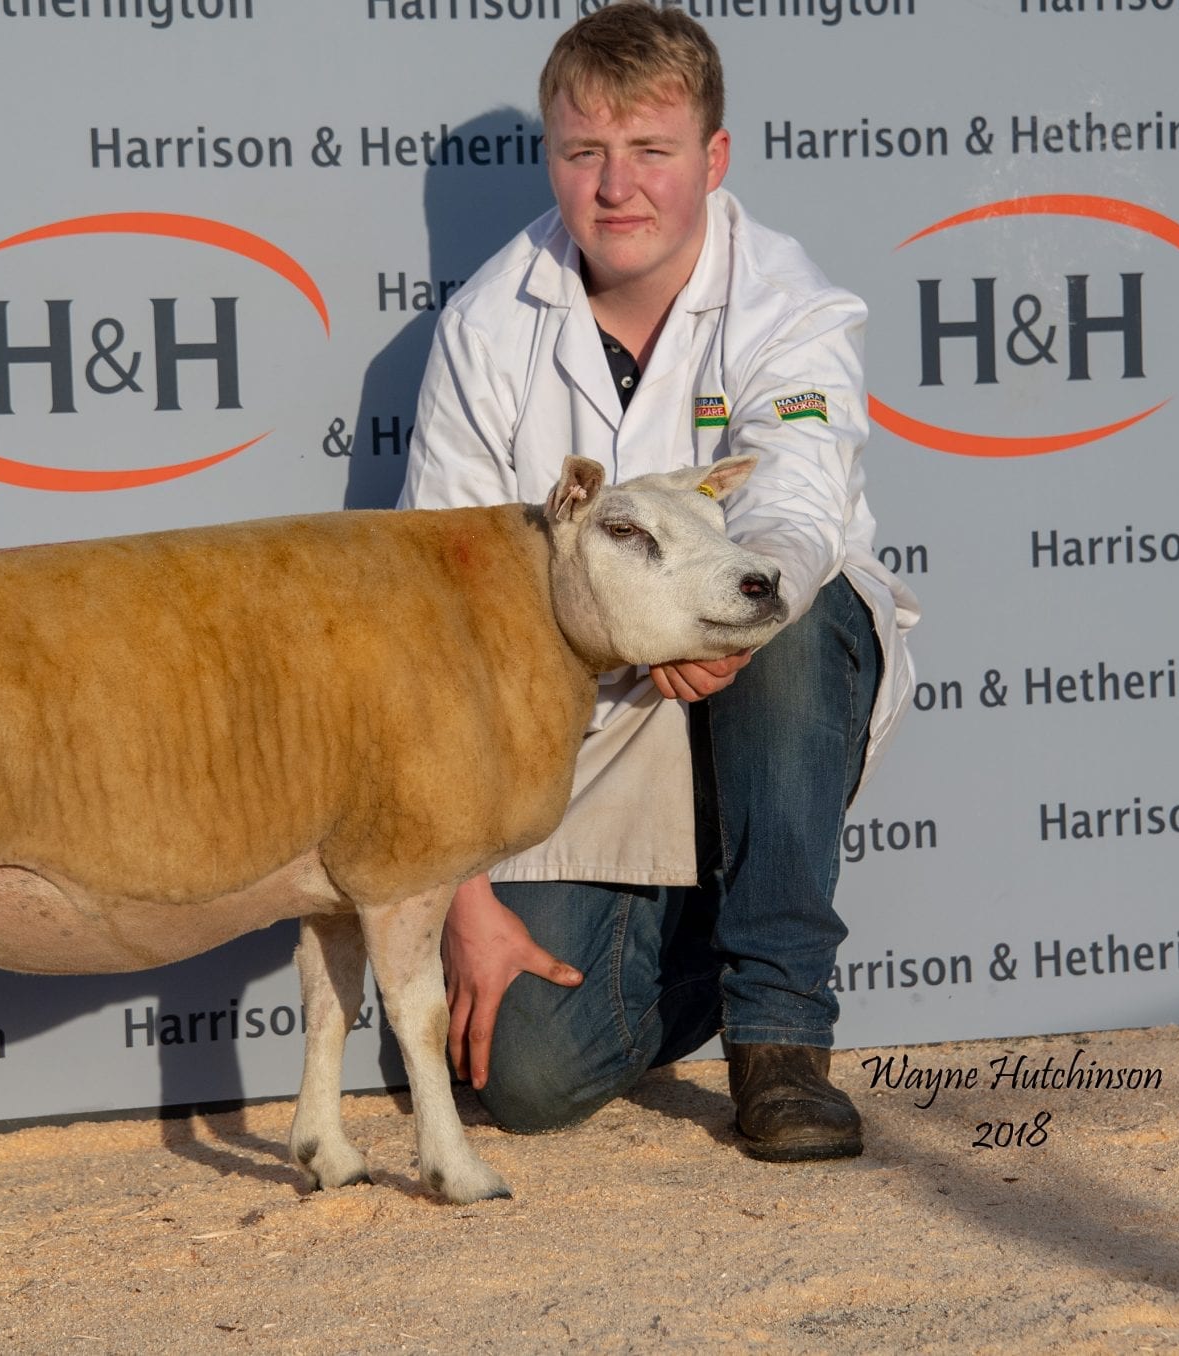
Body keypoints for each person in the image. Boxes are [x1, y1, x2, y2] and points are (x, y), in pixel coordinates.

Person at [395, 0, 919, 1162]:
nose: (615, 186)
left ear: (713, 160)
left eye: (651, 152)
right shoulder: (487, 328)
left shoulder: (791, 302)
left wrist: (722, 607)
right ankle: (703, 941)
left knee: (787, 598)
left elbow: (792, 505)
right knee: (523, 1076)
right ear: (551, 159)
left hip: (763, 684)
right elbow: (438, 622)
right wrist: (466, 904)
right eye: (584, 152)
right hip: (586, 725)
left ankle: (779, 1037)